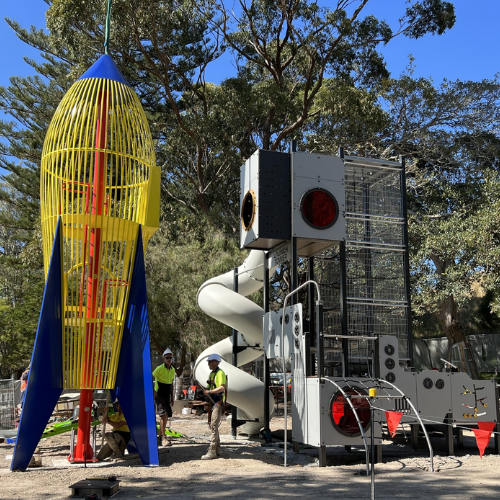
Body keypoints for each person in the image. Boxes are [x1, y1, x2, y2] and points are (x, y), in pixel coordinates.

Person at [153, 348, 182, 446]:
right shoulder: (160, 368)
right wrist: (153, 391)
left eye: (170, 357)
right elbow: (151, 377)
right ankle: (162, 437)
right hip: (160, 393)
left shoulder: (173, 369)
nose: (169, 359)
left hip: (167, 394)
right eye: (167, 358)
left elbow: (171, 384)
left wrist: (172, 397)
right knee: (163, 415)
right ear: (164, 358)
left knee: (166, 416)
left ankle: (161, 435)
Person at [201, 353, 226, 460]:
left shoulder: (220, 373)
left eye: (210, 362)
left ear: (215, 362)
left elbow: (222, 388)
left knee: (213, 425)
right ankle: (218, 448)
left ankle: (212, 450)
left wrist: (210, 391)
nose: (209, 364)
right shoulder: (212, 374)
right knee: (214, 425)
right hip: (213, 402)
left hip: (218, 402)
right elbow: (209, 387)